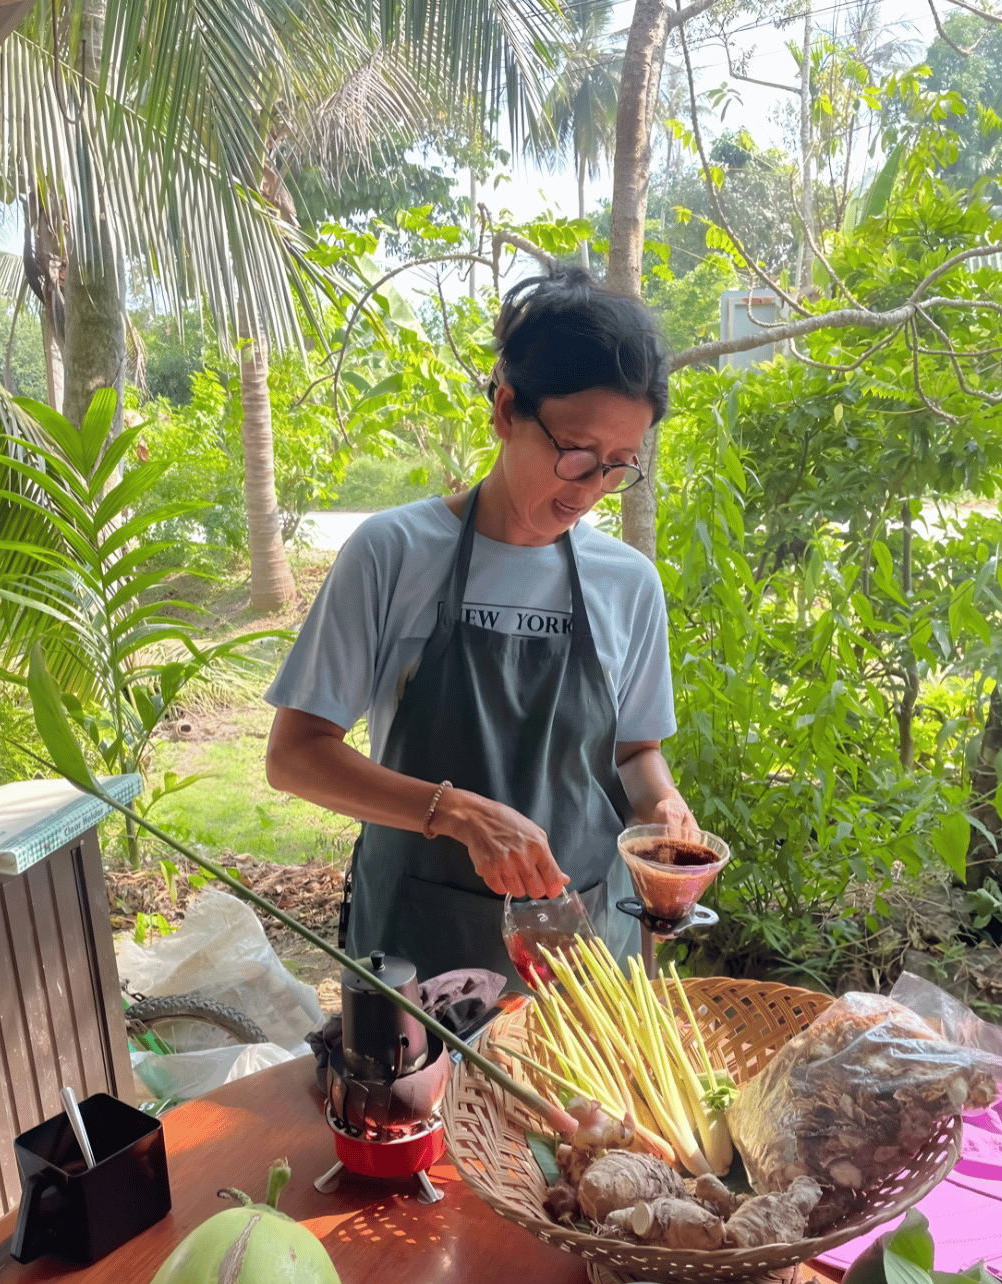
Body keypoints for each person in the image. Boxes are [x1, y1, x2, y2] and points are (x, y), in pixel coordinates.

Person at [264, 264, 698, 983]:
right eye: (578, 455)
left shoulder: (628, 583)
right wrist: (456, 812)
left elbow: (634, 753)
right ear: (505, 410)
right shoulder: (393, 554)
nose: (593, 489)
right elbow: (295, 756)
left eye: (619, 465)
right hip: (423, 946)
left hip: (586, 947)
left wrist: (664, 806)